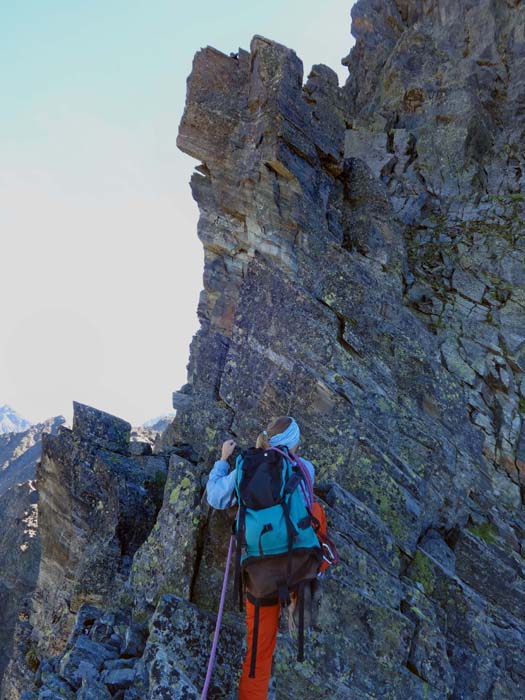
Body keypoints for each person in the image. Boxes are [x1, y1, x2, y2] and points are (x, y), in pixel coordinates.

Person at [206, 415, 316, 700]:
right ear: (295, 443)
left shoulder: (245, 467)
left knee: (259, 652)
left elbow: (216, 497)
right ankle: (302, 591)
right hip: (298, 563)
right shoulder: (305, 469)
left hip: (260, 575)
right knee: (318, 515)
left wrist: (223, 459)